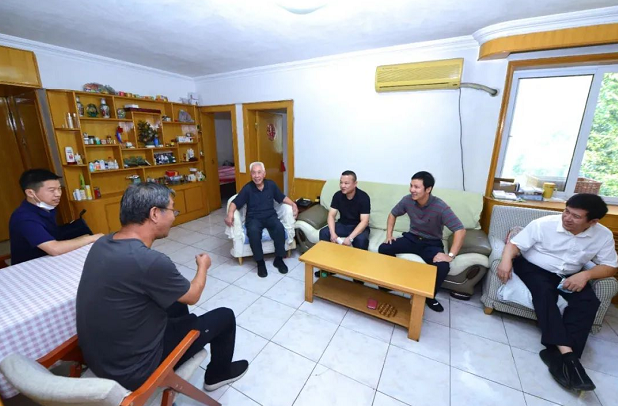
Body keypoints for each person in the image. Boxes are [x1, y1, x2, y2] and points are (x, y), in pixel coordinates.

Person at [76, 183, 248, 392]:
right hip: (134, 370)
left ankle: (186, 336)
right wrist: (203, 266)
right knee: (225, 317)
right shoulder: (148, 261)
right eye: (172, 210)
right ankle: (217, 375)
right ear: (155, 214)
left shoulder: (102, 243)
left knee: (176, 302)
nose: (174, 216)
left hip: (101, 359)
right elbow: (193, 295)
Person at [497, 193, 617, 392]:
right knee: (544, 294)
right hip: (534, 268)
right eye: (566, 211)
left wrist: (586, 275)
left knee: (588, 302)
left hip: (571, 274)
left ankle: (556, 357)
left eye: (576, 216)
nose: (567, 218)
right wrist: (505, 260)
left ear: (593, 222)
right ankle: (570, 359)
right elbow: (515, 244)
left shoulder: (603, 235)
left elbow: (610, 266)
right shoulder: (544, 224)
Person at [378, 171, 465, 312]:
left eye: (416, 187)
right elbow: (393, 214)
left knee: (443, 266)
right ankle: (389, 283)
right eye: (411, 186)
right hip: (411, 238)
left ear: (428, 189)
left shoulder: (440, 206)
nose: (412, 190)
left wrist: (450, 255)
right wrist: (389, 235)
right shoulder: (407, 200)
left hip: (431, 243)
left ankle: (430, 297)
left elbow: (460, 230)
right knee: (384, 248)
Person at [9, 169, 103, 265]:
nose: (58, 194)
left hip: (49, 258)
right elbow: (54, 249)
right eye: (52, 190)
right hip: (31, 265)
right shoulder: (24, 218)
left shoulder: (46, 207)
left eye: (59, 188)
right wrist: (90, 238)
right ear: (30, 193)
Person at [224, 161, 298, 278]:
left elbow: (282, 197)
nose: (256, 176)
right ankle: (260, 262)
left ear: (264, 174)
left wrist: (293, 204)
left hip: (270, 216)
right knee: (253, 232)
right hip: (253, 218)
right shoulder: (248, 188)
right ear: (251, 174)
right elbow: (235, 202)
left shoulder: (271, 185)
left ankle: (279, 259)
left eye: (259, 172)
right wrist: (230, 214)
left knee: (279, 228)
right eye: (254, 173)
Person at [316, 170, 370, 279]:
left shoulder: (363, 197)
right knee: (324, 233)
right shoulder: (338, 195)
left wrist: (350, 238)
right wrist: (333, 233)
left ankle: (358, 274)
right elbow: (331, 215)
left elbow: (364, 221)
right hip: (343, 224)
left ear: (355, 184)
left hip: (358, 226)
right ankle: (327, 268)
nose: (342, 186)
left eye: (346, 183)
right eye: (341, 182)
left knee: (361, 240)